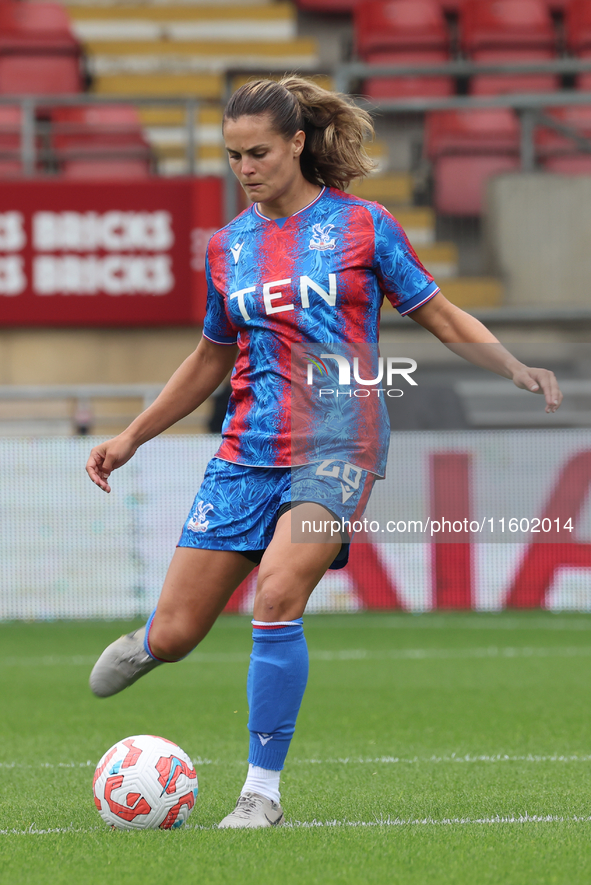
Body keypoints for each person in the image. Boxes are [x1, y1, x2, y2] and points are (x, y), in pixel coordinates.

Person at [86, 76, 562, 829]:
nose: (245, 167)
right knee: (178, 633)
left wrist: (513, 364)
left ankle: (260, 794)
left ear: (298, 143)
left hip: (338, 443)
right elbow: (210, 357)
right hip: (246, 451)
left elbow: (438, 314)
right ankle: (153, 640)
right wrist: (131, 435)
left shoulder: (364, 227)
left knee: (277, 593)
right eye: (233, 155)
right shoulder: (227, 246)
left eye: (259, 152)